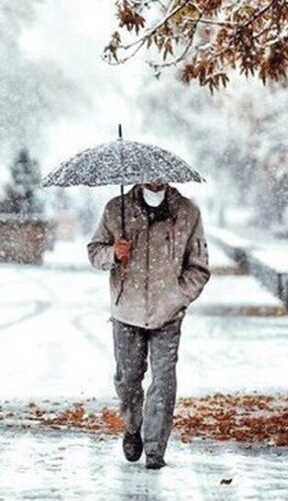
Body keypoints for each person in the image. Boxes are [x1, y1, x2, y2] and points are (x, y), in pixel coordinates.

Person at [88, 182, 210, 469]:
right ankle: (133, 427)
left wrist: (178, 296)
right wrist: (113, 254)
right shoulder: (116, 209)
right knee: (128, 379)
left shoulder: (187, 213)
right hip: (126, 310)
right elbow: (95, 251)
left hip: (167, 314)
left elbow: (199, 266)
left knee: (164, 381)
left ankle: (155, 448)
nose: (154, 180)